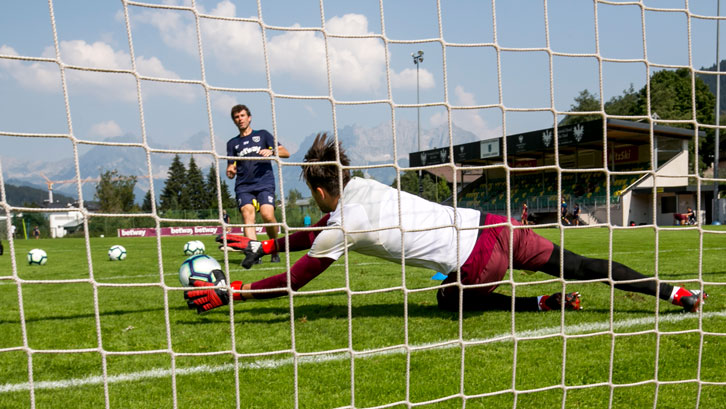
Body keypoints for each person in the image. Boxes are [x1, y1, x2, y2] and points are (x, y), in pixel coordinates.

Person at [185, 133, 707, 314]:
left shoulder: (341, 225)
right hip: (496, 225)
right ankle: (677, 293)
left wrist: (236, 290)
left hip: (479, 261)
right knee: (585, 265)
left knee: (447, 298)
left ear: (320, 190)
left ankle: (537, 303)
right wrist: (271, 244)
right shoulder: (364, 187)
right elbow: (312, 234)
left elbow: (297, 280)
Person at [225, 104, 290, 264]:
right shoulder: (232, 143)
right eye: (236, 117)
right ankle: (255, 253)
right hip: (244, 186)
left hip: (264, 182)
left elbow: (286, 153)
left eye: (242, 116)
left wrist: (273, 152)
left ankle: (274, 248)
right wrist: (230, 171)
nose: (240, 119)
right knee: (248, 215)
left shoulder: (263, 135)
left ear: (249, 117)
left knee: (268, 215)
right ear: (234, 121)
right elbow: (231, 166)